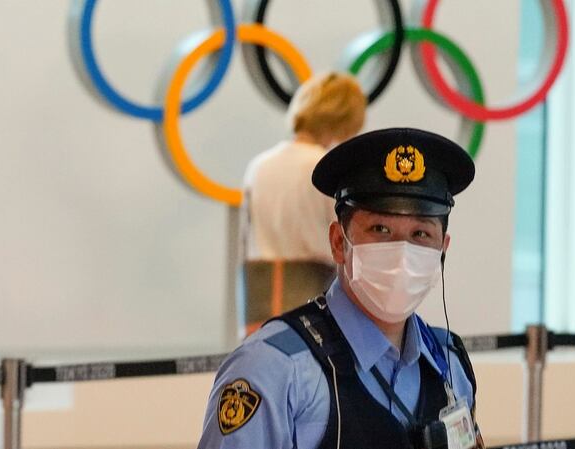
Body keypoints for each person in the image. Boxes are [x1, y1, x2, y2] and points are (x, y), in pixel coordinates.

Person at [201, 128, 483, 449]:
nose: (402, 252)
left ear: (442, 249)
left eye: (420, 234)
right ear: (339, 242)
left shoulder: (449, 361)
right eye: (381, 229)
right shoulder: (274, 369)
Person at [241, 71, 367, 334]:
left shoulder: (259, 166)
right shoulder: (325, 168)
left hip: (260, 299)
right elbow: (343, 239)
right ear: (343, 119)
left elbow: (246, 240)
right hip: (313, 296)